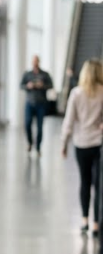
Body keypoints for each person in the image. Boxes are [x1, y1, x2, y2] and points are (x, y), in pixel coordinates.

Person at [61, 59, 103, 237]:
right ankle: (96, 223)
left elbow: (68, 122)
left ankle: (84, 220)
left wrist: (64, 143)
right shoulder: (102, 93)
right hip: (99, 143)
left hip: (81, 144)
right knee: (99, 185)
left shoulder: (76, 93)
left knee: (85, 182)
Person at [20, 55, 53, 155]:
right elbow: (21, 85)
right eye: (33, 61)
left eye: (36, 61)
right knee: (27, 124)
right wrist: (28, 86)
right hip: (30, 103)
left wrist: (42, 86)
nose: (35, 63)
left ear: (39, 62)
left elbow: (51, 85)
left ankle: (38, 147)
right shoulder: (27, 74)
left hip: (41, 103)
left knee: (40, 127)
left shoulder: (45, 74)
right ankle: (30, 143)